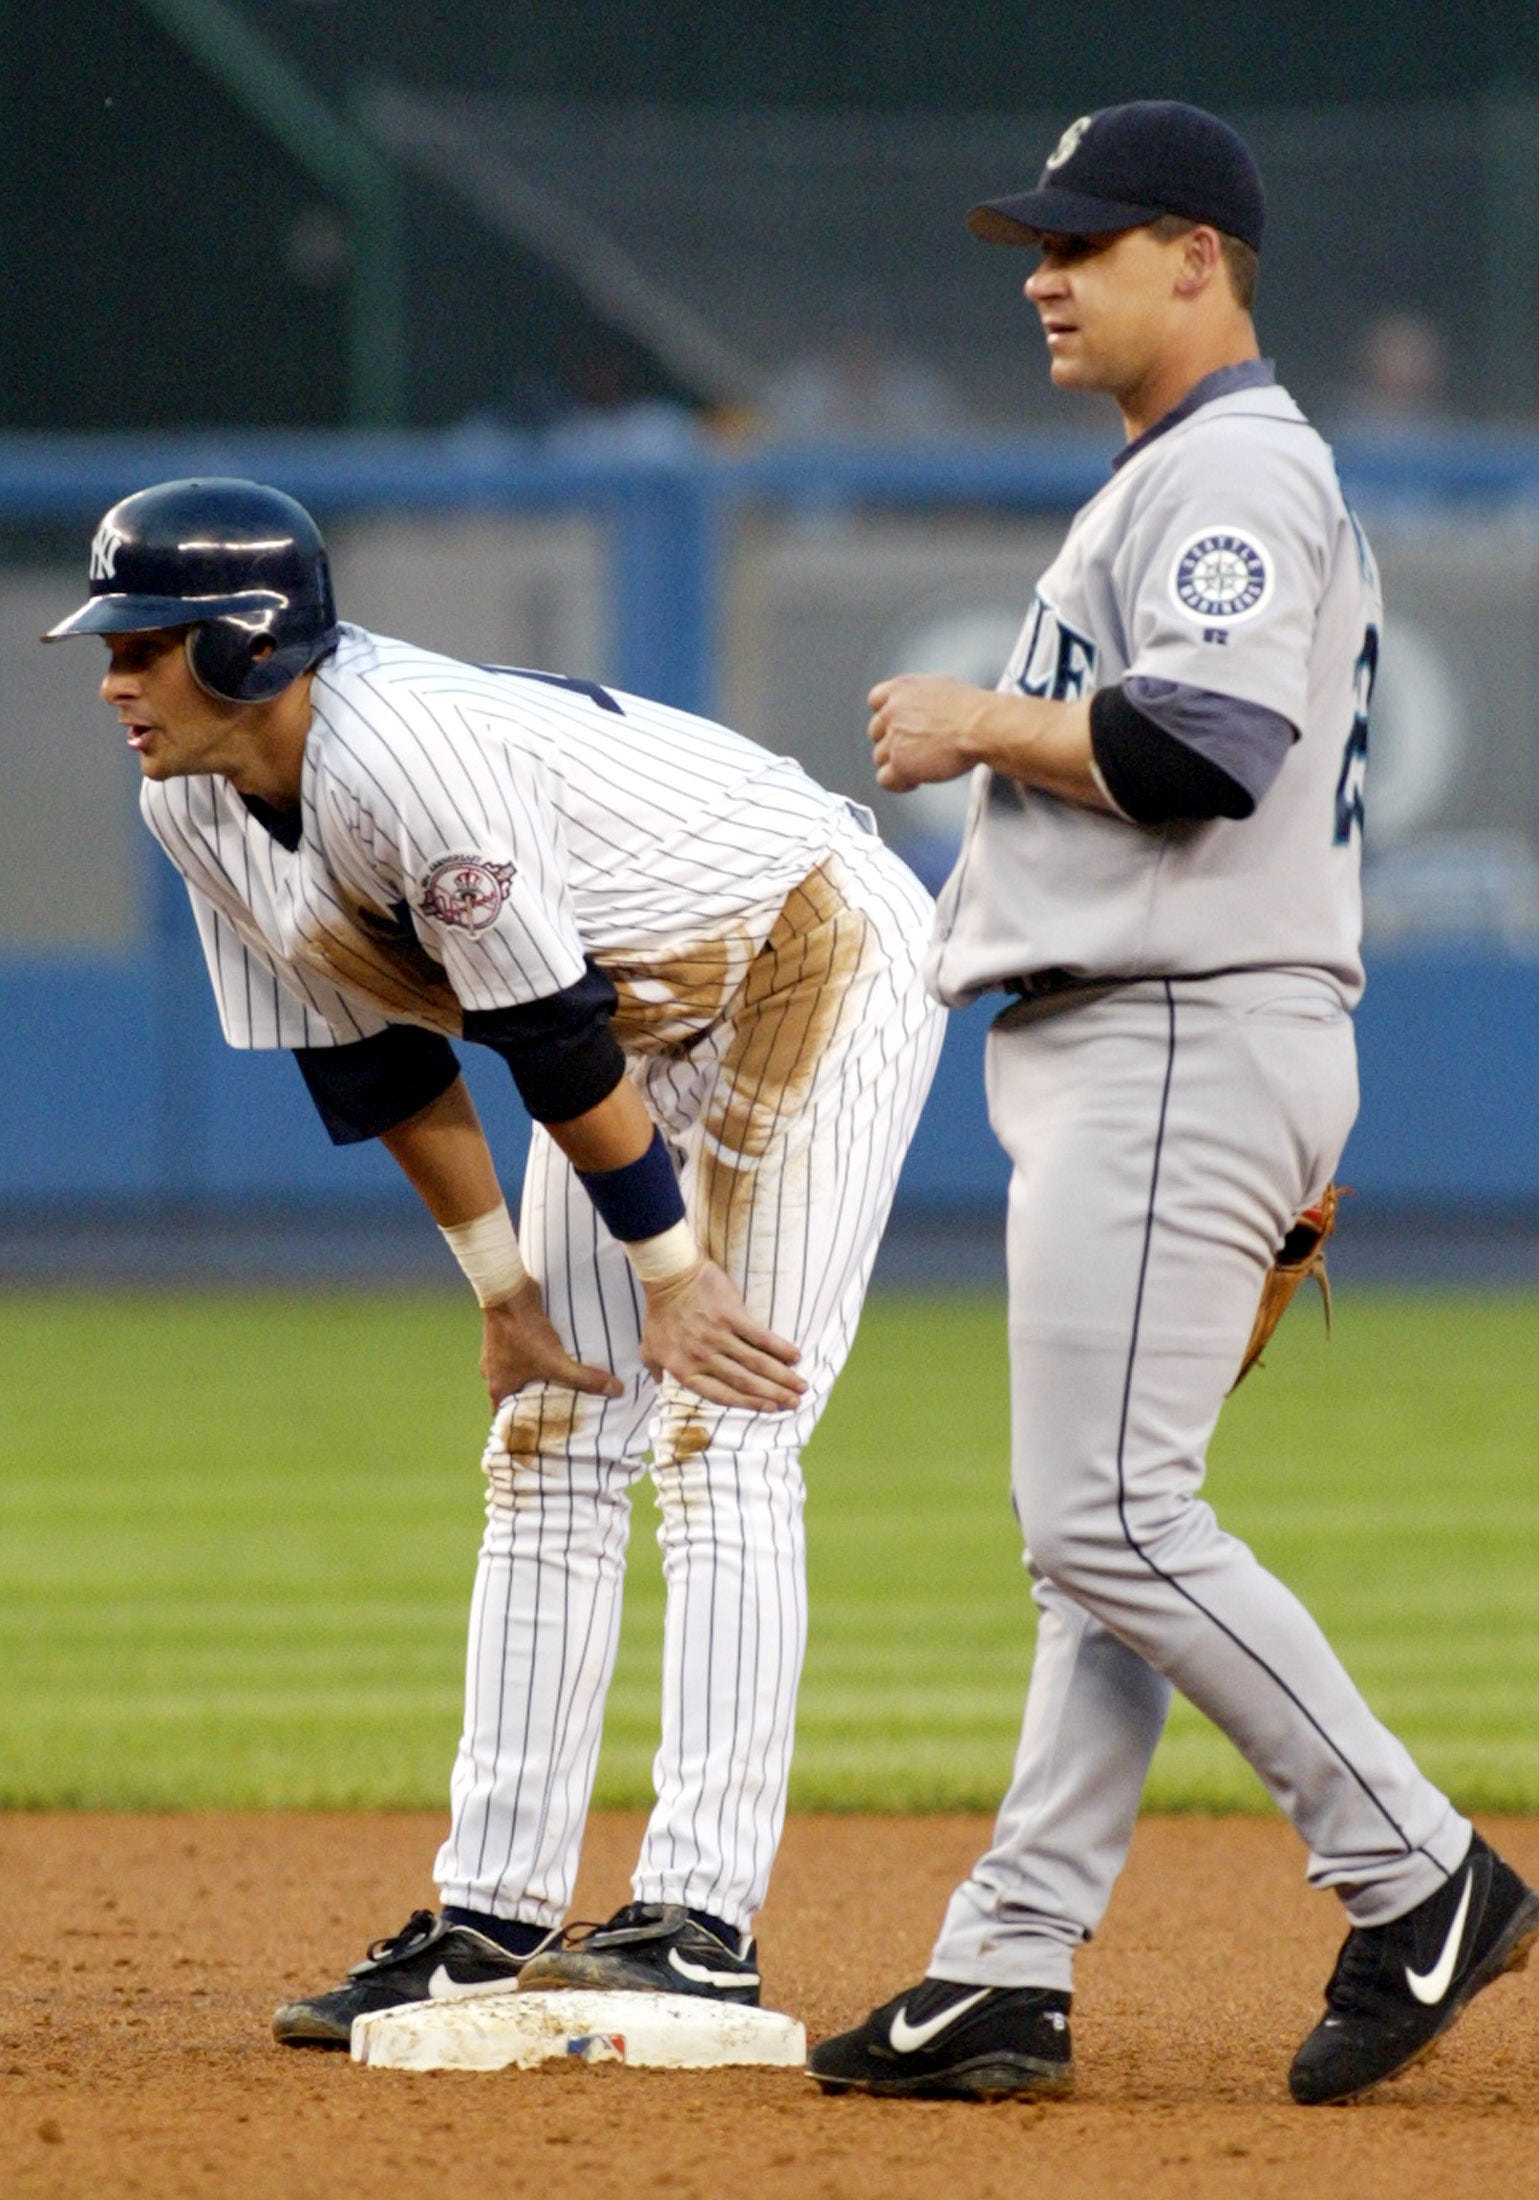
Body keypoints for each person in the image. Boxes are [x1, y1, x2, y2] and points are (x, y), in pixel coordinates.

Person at [807, 101, 1539, 2108]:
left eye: (1086, 240)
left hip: (1167, 1032)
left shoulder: (1227, 470)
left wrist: (976, 719)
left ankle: (1413, 1870)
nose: (1041, 273)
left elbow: (1204, 747)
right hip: (1182, 1033)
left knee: (1111, 1517)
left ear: (1196, 259)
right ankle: (1005, 1964)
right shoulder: (1190, 475)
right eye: (1035, 244)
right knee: (1102, 1539)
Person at [45, 478, 944, 2042]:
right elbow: (379, 1063)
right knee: (546, 1438)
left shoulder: (411, 760)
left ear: (251, 648)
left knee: (724, 1425)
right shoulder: (190, 803)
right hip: (622, 1028)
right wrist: (504, 1293)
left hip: (805, 951)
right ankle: (492, 1916)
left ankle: (701, 1918)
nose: (116, 678)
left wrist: (675, 1275)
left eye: (147, 643)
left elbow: (544, 1032)